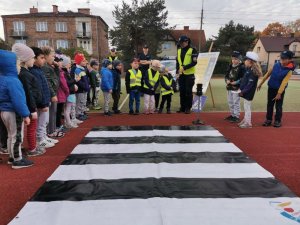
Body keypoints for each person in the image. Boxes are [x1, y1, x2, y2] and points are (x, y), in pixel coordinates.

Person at [0, 49, 33, 168]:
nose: (19, 67)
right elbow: (18, 100)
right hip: (13, 112)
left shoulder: (2, 78)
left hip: (4, 111)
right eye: (17, 64)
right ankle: (17, 159)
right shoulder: (13, 81)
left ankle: (11, 156)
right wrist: (25, 114)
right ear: (11, 66)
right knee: (17, 136)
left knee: (10, 135)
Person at [12, 43, 45, 157]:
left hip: (31, 105)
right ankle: (32, 148)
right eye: (31, 58)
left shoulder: (26, 72)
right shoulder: (24, 75)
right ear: (25, 59)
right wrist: (32, 109)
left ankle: (32, 146)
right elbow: (28, 93)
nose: (33, 60)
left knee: (31, 128)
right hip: (30, 106)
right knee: (31, 128)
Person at [257, 50, 295, 128]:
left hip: (279, 90)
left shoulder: (289, 71)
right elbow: (267, 74)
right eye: (281, 58)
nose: (282, 60)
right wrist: (260, 83)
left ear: (290, 60)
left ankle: (277, 121)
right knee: (270, 105)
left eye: (284, 59)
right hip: (271, 88)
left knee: (278, 106)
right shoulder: (276, 65)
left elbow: (284, 83)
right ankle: (268, 120)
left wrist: (279, 93)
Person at [29, 47, 56, 149]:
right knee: (41, 122)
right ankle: (41, 139)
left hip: (44, 100)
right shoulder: (34, 72)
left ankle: (44, 137)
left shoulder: (39, 70)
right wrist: (43, 103)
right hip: (41, 102)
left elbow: (44, 87)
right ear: (34, 58)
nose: (43, 60)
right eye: (41, 58)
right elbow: (38, 89)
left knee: (44, 121)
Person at [42, 46, 64, 138]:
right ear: (46, 56)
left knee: (53, 113)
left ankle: (52, 130)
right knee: (50, 115)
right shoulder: (45, 67)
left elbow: (56, 79)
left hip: (54, 92)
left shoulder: (50, 67)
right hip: (51, 94)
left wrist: (56, 67)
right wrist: (53, 94)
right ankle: (50, 132)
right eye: (52, 55)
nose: (53, 58)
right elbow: (47, 82)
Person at [238, 52, 262, 129]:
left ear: (250, 61)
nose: (244, 61)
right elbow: (245, 80)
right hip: (246, 92)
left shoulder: (252, 72)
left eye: (246, 60)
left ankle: (248, 123)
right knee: (246, 106)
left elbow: (250, 85)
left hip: (248, 93)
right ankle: (245, 120)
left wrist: (242, 91)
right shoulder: (249, 69)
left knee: (247, 107)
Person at [176, 35, 198, 114]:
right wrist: (177, 72)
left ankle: (188, 108)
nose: (181, 44)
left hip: (189, 74)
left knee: (188, 92)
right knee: (181, 91)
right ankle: (182, 107)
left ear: (186, 42)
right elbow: (177, 62)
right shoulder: (179, 50)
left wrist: (185, 67)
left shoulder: (193, 50)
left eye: (182, 43)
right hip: (181, 74)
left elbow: (194, 62)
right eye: (180, 43)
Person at [224, 51, 245, 123]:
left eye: (236, 59)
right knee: (230, 101)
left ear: (239, 59)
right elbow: (226, 75)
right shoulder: (230, 66)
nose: (234, 60)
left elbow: (244, 78)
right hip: (229, 87)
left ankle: (236, 116)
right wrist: (226, 80)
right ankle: (232, 115)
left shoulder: (242, 67)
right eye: (232, 59)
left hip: (237, 88)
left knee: (236, 102)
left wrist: (236, 82)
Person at [62, 55, 79, 129]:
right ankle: (68, 123)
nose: (70, 64)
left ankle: (68, 122)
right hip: (69, 93)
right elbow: (67, 83)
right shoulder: (64, 73)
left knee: (68, 109)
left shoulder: (66, 72)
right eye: (69, 63)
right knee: (67, 109)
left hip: (70, 92)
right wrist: (75, 80)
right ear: (65, 64)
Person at [74, 53, 89, 121]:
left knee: (83, 102)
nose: (85, 62)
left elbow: (85, 80)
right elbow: (78, 81)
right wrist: (85, 86)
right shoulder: (77, 70)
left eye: (85, 60)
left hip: (84, 89)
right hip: (81, 90)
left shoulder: (83, 69)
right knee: (79, 102)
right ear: (79, 62)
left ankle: (82, 113)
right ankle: (78, 114)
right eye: (83, 61)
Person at [56, 55, 69, 130]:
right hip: (60, 94)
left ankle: (58, 125)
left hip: (60, 94)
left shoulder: (60, 71)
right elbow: (64, 83)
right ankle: (58, 126)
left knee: (59, 111)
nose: (61, 63)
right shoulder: (60, 72)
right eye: (60, 61)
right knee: (58, 111)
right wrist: (67, 91)